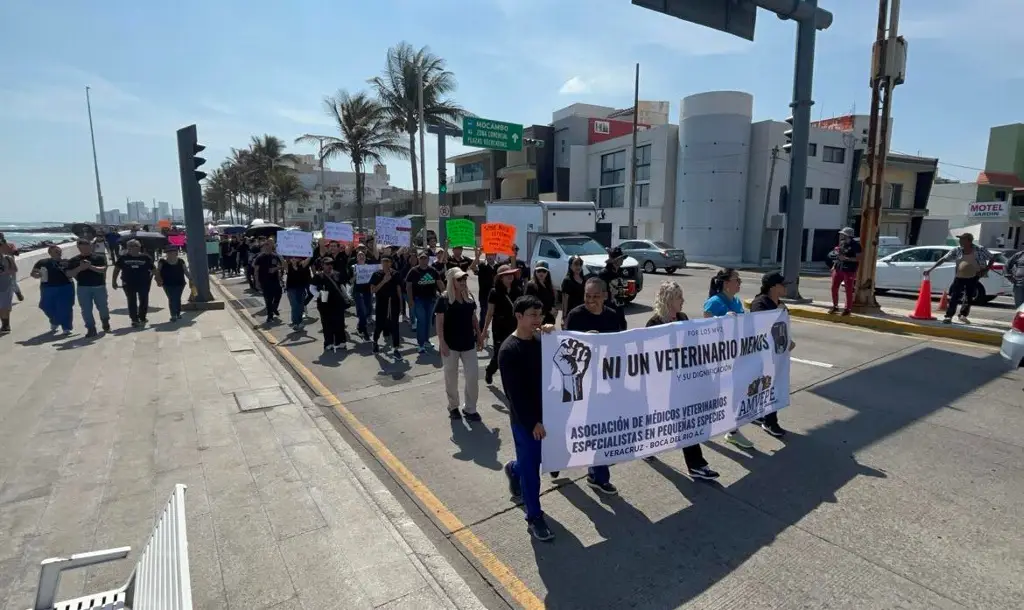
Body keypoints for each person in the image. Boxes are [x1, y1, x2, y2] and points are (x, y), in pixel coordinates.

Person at [641, 281, 721, 479]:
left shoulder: (684, 318)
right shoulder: (654, 323)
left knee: (686, 422)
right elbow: (650, 356)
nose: (683, 301)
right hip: (662, 384)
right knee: (657, 418)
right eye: (679, 297)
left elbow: (694, 347)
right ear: (669, 300)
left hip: (683, 383)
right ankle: (647, 445)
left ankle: (696, 464)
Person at [499, 294, 556, 542]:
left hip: (546, 415)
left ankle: (514, 468)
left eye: (540, 315)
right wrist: (533, 422)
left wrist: (554, 334)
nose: (538, 319)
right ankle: (534, 517)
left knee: (534, 461)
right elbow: (515, 394)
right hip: (526, 421)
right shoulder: (509, 350)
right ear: (519, 316)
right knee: (533, 470)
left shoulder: (539, 341)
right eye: (532, 315)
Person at [562, 277, 621, 495]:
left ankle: (599, 475)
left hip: (604, 383)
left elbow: (619, 347)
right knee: (568, 426)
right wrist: (583, 342)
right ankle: (555, 458)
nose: (591, 300)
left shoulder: (612, 316)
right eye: (587, 296)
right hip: (578, 383)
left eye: (596, 296)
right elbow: (563, 348)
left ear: (605, 296)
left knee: (599, 429)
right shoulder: (575, 316)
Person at [703, 268, 752, 448]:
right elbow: (706, 329)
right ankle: (706, 428)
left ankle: (732, 431)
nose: (739, 283)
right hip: (718, 359)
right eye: (736, 279)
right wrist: (721, 320)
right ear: (726, 283)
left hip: (735, 355)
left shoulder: (737, 301)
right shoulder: (714, 302)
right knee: (715, 395)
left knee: (734, 394)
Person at [747, 272, 796, 437]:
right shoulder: (759, 304)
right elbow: (761, 328)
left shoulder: (780, 303)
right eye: (783, 285)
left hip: (777, 354)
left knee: (771, 386)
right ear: (773, 287)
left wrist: (789, 340)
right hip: (762, 354)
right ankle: (770, 422)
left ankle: (762, 416)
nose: (785, 287)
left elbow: (783, 327)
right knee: (768, 386)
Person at [435, 267, 484, 421]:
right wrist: (442, 342)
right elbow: (439, 322)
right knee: (451, 377)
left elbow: (473, 318)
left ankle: (470, 409)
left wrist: (480, 335)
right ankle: (453, 406)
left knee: (472, 377)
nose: (463, 281)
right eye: (459, 279)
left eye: (464, 279)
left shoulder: (469, 297)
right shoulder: (443, 300)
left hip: (468, 343)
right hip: (450, 345)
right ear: (452, 281)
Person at [924, 232, 995, 324]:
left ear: (969, 241)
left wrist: (986, 269)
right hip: (960, 276)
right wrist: (931, 269)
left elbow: (992, 258)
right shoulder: (957, 250)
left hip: (974, 276)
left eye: (962, 239)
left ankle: (963, 315)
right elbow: (943, 259)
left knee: (969, 297)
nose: (960, 241)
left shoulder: (979, 249)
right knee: (954, 296)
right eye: (960, 239)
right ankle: (949, 316)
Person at [483, 265, 523, 385]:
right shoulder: (494, 292)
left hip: (515, 326)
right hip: (499, 327)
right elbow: (489, 313)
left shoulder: (518, 290)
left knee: (515, 352)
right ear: (500, 278)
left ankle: (511, 379)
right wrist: (484, 330)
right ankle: (490, 370)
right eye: (507, 274)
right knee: (499, 353)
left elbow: (522, 310)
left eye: (511, 273)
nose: (510, 276)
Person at [66, 238, 110, 337]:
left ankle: (105, 321)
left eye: (87, 247)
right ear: (78, 248)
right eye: (82, 248)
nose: (85, 250)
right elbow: (69, 274)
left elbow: (103, 270)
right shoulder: (74, 260)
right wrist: (80, 268)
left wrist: (90, 267)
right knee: (86, 309)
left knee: (103, 307)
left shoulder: (99, 257)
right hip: (83, 288)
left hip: (99, 287)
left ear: (90, 246)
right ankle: (91, 328)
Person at [405, 251, 445, 353]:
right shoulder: (413, 271)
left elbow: (440, 283)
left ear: (428, 259)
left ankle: (426, 341)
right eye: (421, 258)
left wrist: (444, 294)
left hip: (431, 300)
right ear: (418, 259)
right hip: (418, 300)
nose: (423, 260)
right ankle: (421, 344)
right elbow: (408, 286)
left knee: (428, 321)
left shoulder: (432, 270)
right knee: (421, 321)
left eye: (425, 258)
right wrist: (410, 300)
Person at [30, 245, 74, 334]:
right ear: (50, 253)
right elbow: (33, 272)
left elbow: (74, 272)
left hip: (65, 286)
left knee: (65, 307)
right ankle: (55, 320)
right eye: (56, 251)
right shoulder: (42, 262)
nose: (59, 253)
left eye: (59, 251)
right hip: (47, 287)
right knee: (44, 305)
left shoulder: (66, 262)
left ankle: (66, 327)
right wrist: (36, 274)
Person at [112, 239, 156, 327]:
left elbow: (153, 269)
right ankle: (134, 319)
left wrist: (158, 279)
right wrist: (114, 281)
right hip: (128, 283)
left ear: (139, 247)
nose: (133, 248)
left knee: (144, 300)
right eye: (131, 246)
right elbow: (116, 269)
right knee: (131, 301)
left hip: (143, 283)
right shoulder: (123, 258)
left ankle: (142, 316)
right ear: (127, 247)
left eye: (135, 245)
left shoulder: (145, 257)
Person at [311, 257, 349, 352]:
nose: (329, 266)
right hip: (324, 304)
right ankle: (329, 343)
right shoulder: (318, 276)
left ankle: (341, 342)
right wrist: (319, 295)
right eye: (327, 264)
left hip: (338, 303)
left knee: (340, 323)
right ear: (322, 265)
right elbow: (312, 288)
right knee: (327, 324)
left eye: (331, 264)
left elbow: (341, 286)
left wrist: (347, 296)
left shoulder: (337, 274)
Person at [370, 254, 403, 358]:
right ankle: (375, 342)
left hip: (394, 303)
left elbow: (399, 290)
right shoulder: (376, 274)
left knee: (395, 326)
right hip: (381, 303)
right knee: (379, 325)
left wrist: (401, 304)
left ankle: (396, 349)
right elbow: (373, 290)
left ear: (391, 263)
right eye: (383, 261)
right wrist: (384, 281)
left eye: (387, 261)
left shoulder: (396, 274)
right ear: (381, 263)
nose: (385, 263)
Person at [829, 227, 862, 315]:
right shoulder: (842, 244)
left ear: (848, 235)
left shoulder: (856, 245)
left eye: (843, 234)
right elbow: (839, 256)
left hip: (849, 270)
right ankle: (835, 306)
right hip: (839, 268)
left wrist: (846, 258)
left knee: (848, 289)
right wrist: (834, 266)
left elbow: (858, 258)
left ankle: (848, 309)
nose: (841, 236)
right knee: (834, 287)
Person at [598, 247, 629, 331]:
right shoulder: (604, 273)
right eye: (620, 258)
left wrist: (626, 291)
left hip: (620, 308)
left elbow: (620, 290)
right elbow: (601, 293)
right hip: (608, 309)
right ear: (614, 260)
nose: (622, 260)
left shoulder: (619, 272)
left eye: (622, 258)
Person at [155, 248, 190, 322]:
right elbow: (158, 271)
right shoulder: (162, 261)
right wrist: (158, 279)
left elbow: (185, 271)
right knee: (171, 298)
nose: (171, 253)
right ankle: (173, 315)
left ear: (176, 253)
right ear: (166, 253)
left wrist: (191, 278)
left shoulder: (181, 261)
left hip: (180, 283)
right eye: (169, 252)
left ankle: (178, 313)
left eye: (173, 252)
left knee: (177, 298)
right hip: (167, 283)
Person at [253, 241, 284, 322]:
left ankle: (274, 308)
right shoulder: (259, 258)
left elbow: (281, 266)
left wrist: (275, 269)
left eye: (269, 247)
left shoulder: (275, 256)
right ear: (263, 248)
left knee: (278, 294)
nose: (267, 249)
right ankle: (270, 316)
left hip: (274, 280)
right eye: (266, 248)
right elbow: (256, 270)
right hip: (264, 281)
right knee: (268, 299)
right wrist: (256, 282)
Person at [351, 249, 375, 340]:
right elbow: (350, 281)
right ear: (357, 258)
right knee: (362, 310)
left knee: (368, 309)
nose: (361, 256)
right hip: (358, 291)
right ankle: (363, 330)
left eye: (363, 255)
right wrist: (355, 275)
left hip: (367, 291)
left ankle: (360, 325)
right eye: (359, 255)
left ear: (365, 258)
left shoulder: (369, 267)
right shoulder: (354, 267)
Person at [285, 255, 314, 330]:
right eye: (292, 258)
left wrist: (310, 252)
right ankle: (296, 322)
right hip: (291, 289)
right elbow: (281, 259)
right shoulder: (287, 265)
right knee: (294, 306)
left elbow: (310, 257)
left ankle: (299, 321)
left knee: (300, 306)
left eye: (296, 258)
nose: (294, 259)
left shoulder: (303, 265)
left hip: (301, 288)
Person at [525, 261, 557, 325]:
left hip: (548, 318)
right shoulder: (531, 285)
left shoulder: (549, 285)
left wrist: (553, 308)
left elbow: (552, 299)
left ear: (547, 273)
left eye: (544, 271)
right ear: (535, 272)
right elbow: (528, 303)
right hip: (537, 318)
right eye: (539, 271)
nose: (541, 273)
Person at [560, 256, 586, 328]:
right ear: (570, 266)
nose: (578, 267)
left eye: (580, 264)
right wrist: (564, 317)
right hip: (571, 313)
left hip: (583, 313)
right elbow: (564, 300)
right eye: (576, 264)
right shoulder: (567, 281)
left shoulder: (584, 280)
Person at [475, 252, 497, 329]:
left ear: (495, 256)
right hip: (484, 296)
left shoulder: (498, 267)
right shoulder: (482, 266)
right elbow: (472, 268)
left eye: (492, 255)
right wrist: (478, 255)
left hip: (496, 296)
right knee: (484, 316)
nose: (490, 257)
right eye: (488, 255)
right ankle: (481, 332)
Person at [0, 241, 16, 334]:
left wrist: (5, 272)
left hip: (6, 284)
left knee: (5, 306)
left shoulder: (8, 258)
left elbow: (15, 269)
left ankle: (6, 325)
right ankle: (4, 324)